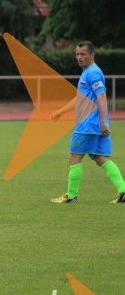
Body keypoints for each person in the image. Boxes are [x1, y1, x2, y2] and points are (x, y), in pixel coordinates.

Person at [50, 41, 125, 204]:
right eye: (77, 54)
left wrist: (102, 122)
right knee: (101, 158)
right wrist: (61, 112)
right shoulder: (88, 73)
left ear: (92, 55)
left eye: (83, 54)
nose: (79, 57)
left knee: (74, 157)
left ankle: (71, 196)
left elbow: (102, 96)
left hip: (88, 124)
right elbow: (80, 98)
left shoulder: (93, 73)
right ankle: (123, 191)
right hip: (96, 124)